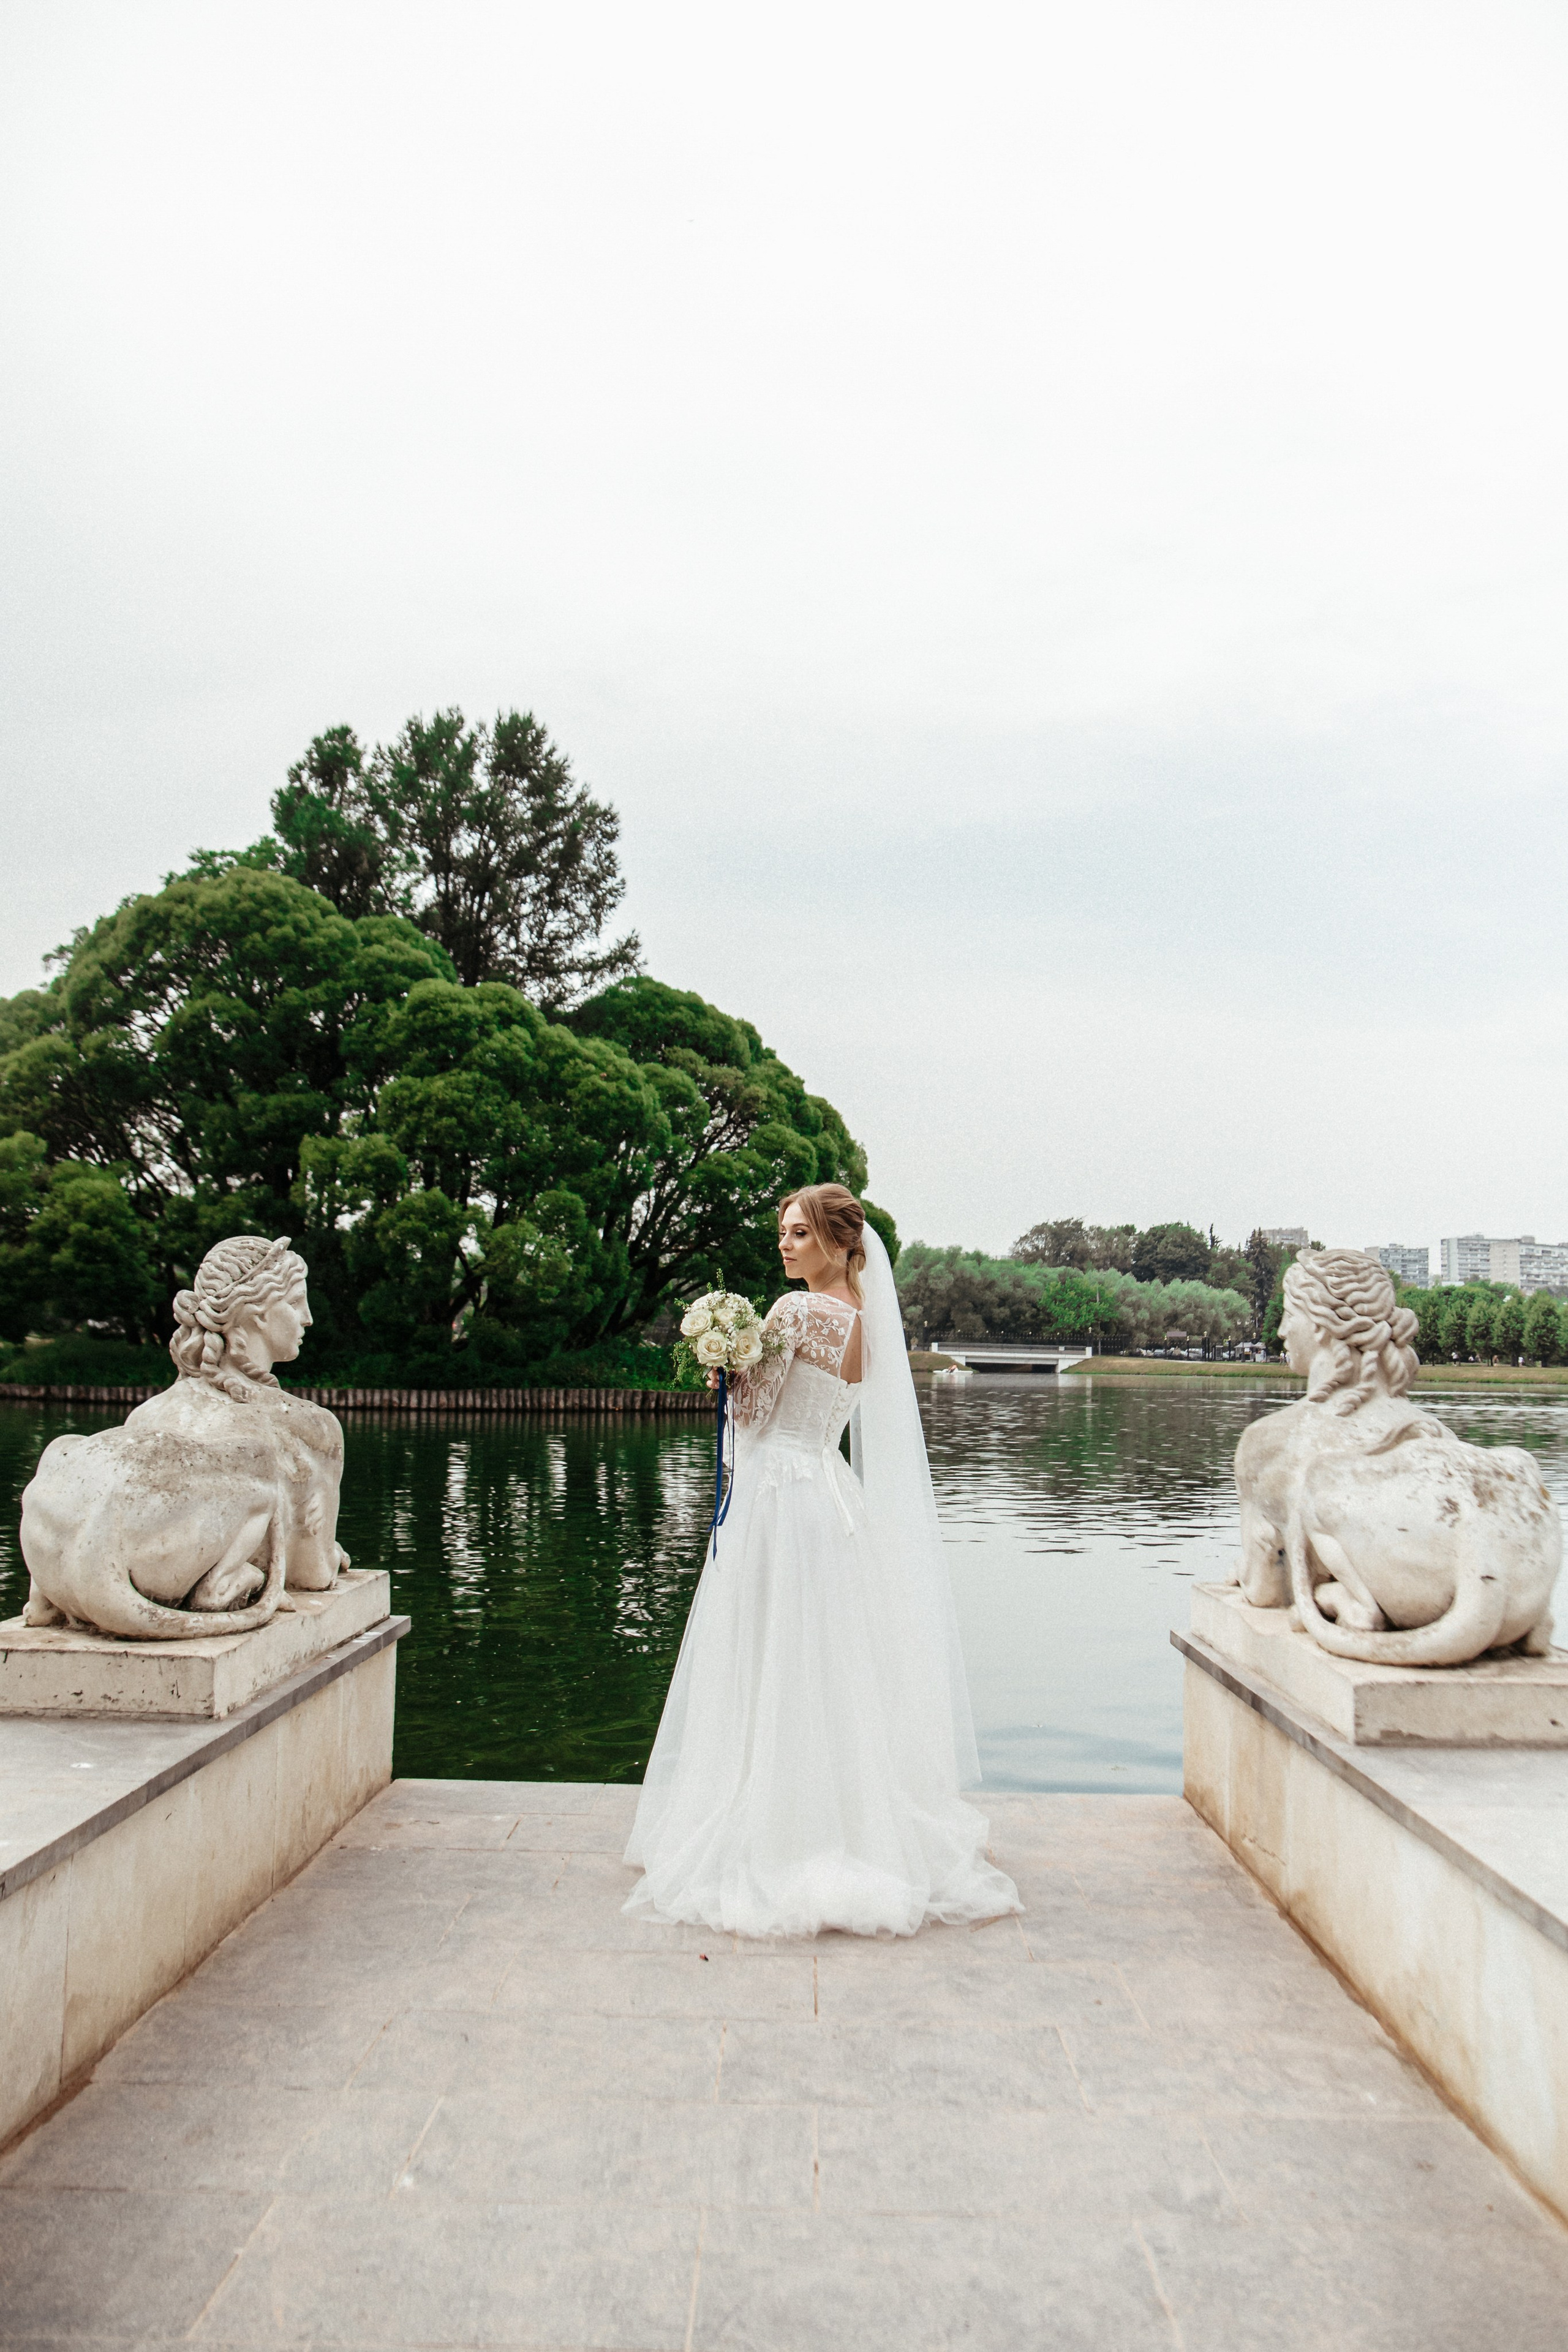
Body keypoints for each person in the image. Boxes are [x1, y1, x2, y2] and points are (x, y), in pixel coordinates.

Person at [623, 1183, 1020, 1939]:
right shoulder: (867, 1325)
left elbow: (754, 1417)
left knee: (766, 1657)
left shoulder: (794, 1312)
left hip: (778, 1500)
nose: (785, 1244)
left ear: (838, 1245)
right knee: (830, 1667)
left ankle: (770, 1823)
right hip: (833, 1501)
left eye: (800, 1233)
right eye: (782, 1231)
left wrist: (727, 1377)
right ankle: (850, 1821)